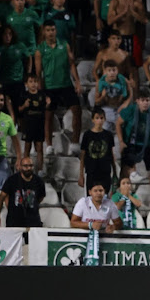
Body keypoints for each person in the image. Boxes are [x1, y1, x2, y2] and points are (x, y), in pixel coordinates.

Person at [35, 21, 82, 156]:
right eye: (48, 30)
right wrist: (41, 91)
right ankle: (49, 145)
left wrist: (77, 82)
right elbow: (39, 72)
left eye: (53, 30)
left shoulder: (64, 45)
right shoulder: (40, 50)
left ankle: (75, 143)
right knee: (48, 115)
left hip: (66, 84)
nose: (51, 33)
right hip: (50, 86)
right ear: (44, 32)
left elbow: (72, 64)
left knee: (77, 110)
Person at [116, 90, 150, 207]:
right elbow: (118, 123)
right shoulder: (130, 110)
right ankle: (122, 196)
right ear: (137, 101)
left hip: (148, 142)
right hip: (131, 142)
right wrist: (121, 142)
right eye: (142, 100)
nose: (145, 103)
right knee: (125, 169)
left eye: (147, 100)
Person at [107, 0, 147, 68]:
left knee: (133, 66)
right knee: (116, 65)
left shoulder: (137, 2)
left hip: (131, 36)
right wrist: (123, 13)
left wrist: (133, 13)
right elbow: (109, 21)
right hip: (117, 38)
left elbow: (144, 20)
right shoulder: (115, 2)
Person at [0, 156, 44, 227]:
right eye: (25, 166)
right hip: (14, 222)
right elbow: (0, 199)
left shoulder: (39, 181)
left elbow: (40, 198)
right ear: (20, 167)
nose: (28, 168)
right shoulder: (12, 180)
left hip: (33, 222)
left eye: (31, 166)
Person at [79, 107, 117, 192]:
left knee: (105, 198)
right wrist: (81, 175)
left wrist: (115, 172)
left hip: (105, 171)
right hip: (91, 171)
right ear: (93, 120)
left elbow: (111, 154)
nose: (99, 120)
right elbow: (83, 155)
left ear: (104, 119)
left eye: (101, 118)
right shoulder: (87, 135)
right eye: (97, 118)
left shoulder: (108, 135)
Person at [0, 90, 20, 188]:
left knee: (6, 191)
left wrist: (19, 158)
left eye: (2, 100)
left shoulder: (7, 119)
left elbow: (15, 140)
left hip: (1, 161)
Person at [18, 74, 46, 174]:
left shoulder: (42, 95)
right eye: (31, 81)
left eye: (35, 81)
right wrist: (24, 105)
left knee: (39, 148)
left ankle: (40, 170)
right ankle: (24, 167)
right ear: (26, 84)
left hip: (39, 125)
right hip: (28, 125)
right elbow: (19, 110)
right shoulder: (24, 95)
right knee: (27, 147)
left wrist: (48, 103)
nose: (33, 84)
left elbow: (46, 109)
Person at [96, 59, 132, 133]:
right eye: (109, 70)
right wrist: (102, 97)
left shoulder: (123, 80)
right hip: (107, 110)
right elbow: (96, 102)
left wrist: (126, 103)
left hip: (120, 108)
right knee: (104, 131)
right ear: (105, 71)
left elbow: (131, 94)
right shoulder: (100, 83)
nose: (112, 73)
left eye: (114, 70)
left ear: (117, 70)